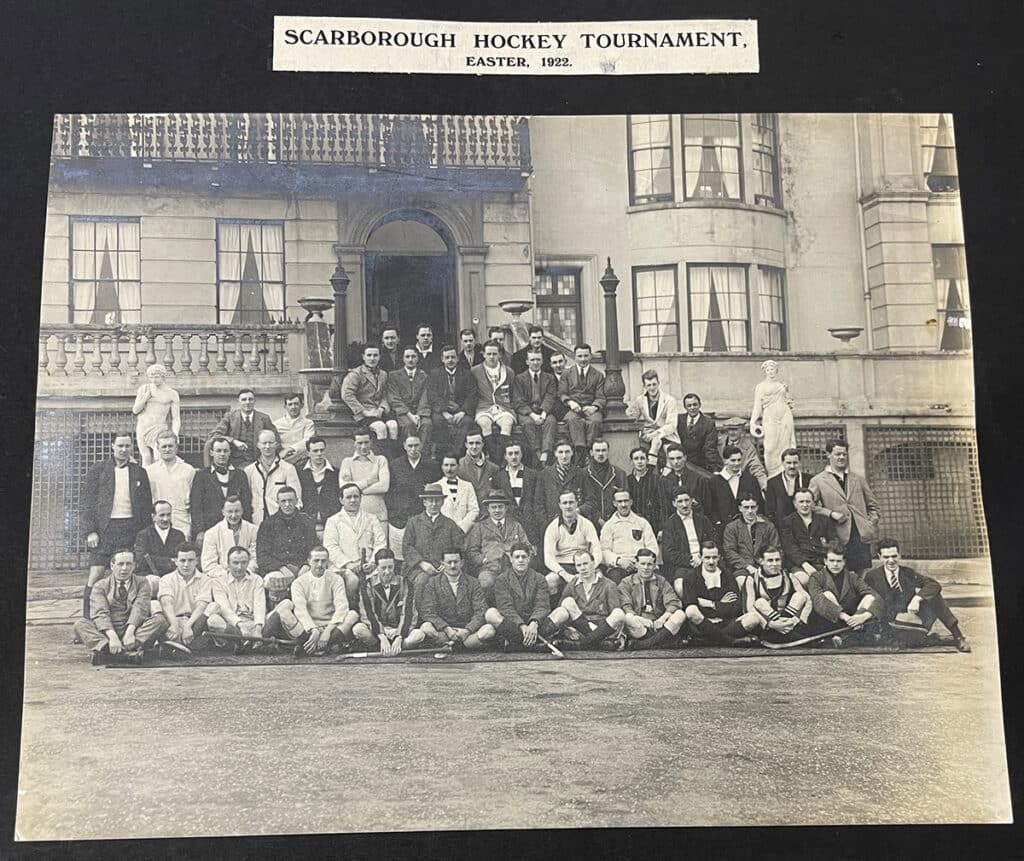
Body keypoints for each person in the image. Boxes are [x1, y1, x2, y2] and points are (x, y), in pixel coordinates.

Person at [80, 432, 153, 617]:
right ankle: (87, 620)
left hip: (130, 529)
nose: (123, 450)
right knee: (95, 575)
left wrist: (143, 534)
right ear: (112, 446)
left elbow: (145, 507)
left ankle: (124, 619)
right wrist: (90, 531)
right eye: (120, 446)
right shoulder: (99, 469)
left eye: (127, 446)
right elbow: (87, 502)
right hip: (105, 530)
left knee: (128, 575)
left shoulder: (139, 472)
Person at [864, 538, 971, 652]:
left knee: (935, 597)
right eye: (886, 557)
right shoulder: (872, 576)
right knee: (910, 642)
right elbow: (868, 600)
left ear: (899, 555)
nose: (891, 560)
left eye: (894, 556)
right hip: (891, 623)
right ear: (879, 557)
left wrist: (917, 598)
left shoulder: (908, 573)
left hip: (913, 618)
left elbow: (934, 584)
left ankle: (958, 636)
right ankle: (929, 639)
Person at [74, 548, 169, 665]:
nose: (124, 568)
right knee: (80, 625)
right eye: (120, 564)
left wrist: (130, 633)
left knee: (160, 621)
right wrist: (112, 637)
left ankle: (108, 654)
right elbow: (100, 613)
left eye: (128, 564)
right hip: (108, 629)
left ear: (134, 566)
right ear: (112, 565)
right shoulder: (100, 585)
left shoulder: (142, 583)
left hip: (134, 629)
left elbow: (140, 608)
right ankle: (127, 654)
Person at [264, 546, 359, 656]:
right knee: (284, 609)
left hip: (330, 627)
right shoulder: (299, 582)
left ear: (327, 562)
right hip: (307, 628)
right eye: (316, 560)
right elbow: (300, 610)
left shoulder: (336, 579)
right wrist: (313, 629)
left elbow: (342, 607)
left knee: (353, 615)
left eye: (323, 561)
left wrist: (327, 631)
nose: (319, 564)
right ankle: (321, 646)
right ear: (309, 561)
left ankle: (312, 647)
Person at [809, 439, 880, 573]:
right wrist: (830, 513)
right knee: (840, 572)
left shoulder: (858, 479)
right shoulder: (818, 480)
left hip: (860, 534)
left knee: (861, 572)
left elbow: (873, 506)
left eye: (844, 454)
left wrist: (869, 524)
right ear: (828, 455)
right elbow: (809, 506)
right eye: (837, 454)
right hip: (837, 534)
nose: (841, 457)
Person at [729, 546, 812, 645]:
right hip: (765, 624)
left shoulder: (789, 577)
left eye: (777, 560)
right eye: (770, 560)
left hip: (787, 620)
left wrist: (797, 620)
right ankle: (785, 636)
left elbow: (807, 599)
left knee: (799, 596)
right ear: (761, 561)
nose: (774, 564)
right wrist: (771, 624)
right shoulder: (751, 580)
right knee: (760, 602)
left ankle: (782, 635)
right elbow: (748, 609)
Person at [543, 550, 625, 649]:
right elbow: (562, 611)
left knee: (618, 613)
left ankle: (584, 644)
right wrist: (566, 630)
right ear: (576, 568)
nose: (583, 568)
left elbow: (614, 615)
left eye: (585, 564)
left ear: (594, 563)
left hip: (602, 628)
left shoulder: (609, 585)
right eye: (579, 565)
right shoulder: (573, 584)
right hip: (580, 629)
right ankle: (597, 642)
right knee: (567, 602)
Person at [416, 548, 496, 650]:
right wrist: (447, 629)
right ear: (443, 563)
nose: (453, 566)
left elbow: (481, 610)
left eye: (456, 562)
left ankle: (454, 646)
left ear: (462, 563)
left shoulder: (473, 582)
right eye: (449, 562)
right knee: (426, 627)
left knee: (489, 630)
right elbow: (428, 611)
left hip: (467, 632)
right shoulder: (433, 583)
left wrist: (468, 630)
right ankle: (463, 646)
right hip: (444, 632)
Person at [322, 482, 386, 609]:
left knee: (379, 580)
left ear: (361, 498)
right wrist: (349, 564)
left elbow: (381, 542)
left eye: (356, 497)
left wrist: (373, 562)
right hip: (344, 567)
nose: (353, 500)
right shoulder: (333, 521)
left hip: (368, 566)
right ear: (341, 500)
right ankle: (352, 612)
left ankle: (375, 616)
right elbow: (330, 547)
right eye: (348, 497)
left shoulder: (371, 518)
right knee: (352, 581)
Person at [805, 542, 883, 645]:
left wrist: (861, 617)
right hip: (826, 620)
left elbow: (876, 597)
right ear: (825, 561)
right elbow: (818, 602)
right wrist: (846, 617)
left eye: (839, 561)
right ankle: (847, 636)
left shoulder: (852, 577)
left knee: (869, 597)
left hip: (851, 622)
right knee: (827, 595)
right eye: (832, 561)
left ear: (844, 562)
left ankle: (845, 636)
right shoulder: (816, 577)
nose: (835, 564)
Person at [352, 548, 426, 655]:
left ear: (394, 566)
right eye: (383, 568)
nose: (387, 572)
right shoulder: (368, 585)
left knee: (419, 635)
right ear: (377, 567)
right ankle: (383, 647)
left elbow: (409, 613)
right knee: (358, 629)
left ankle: (395, 647)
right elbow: (368, 614)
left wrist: (399, 636)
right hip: (378, 632)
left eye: (390, 567)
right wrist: (382, 635)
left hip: (399, 630)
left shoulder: (405, 583)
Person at [255, 486, 317, 608]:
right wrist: (281, 568)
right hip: (277, 570)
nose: (287, 504)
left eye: (290, 500)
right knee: (276, 581)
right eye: (283, 501)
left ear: (296, 500)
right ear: (278, 502)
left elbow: (314, 548)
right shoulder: (267, 524)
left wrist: (306, 565)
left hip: (302, 568)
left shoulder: (306, 521)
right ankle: (278, 616)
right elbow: (262, 556)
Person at [484, 544, 553, 651]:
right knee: (490, 614)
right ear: (511, 559)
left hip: (536, 625)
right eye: (517, 557)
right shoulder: (501, 579)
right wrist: (521, 625)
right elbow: (505, 608)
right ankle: (533, 644)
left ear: (529, 558)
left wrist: (534, 623)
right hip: (513, 625)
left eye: (524, 557)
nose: (520, 560)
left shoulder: (539, 578)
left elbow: (542, 605)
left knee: (562, 613)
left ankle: (517, 644)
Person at [401, 483, 465, 597]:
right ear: (424, 502)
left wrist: (447, 564)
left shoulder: (450, 524)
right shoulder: (414, 522)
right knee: (422, 581)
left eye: (437, 501)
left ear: (442, 502)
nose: (434, 504)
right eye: (430, 501)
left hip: (444, 568)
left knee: (448, 584)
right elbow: (407, 547)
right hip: (418, 568)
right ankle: (419, 614)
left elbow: (458, 547)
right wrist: (421, 563)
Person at [386, 434, 441, 564]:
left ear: (421, 445)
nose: (413, 449)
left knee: (422, 556)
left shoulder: (431, 465)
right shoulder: (395, 465)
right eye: (410, 446)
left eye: (416, 445)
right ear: (404, 446)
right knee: (400, 558)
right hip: (400, 518)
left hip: (422, 518)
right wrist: (395, 513)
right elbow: (390, 493)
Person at [619, 548, 687, 650]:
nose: (646, 568)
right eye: (642, 564)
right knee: (628, 617)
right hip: (639, 625)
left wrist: (663, 618)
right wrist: (641, 619)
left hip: (659, 624)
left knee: (680, 614)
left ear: (655, 566)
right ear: (636, 564)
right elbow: (625, 606)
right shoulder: (626, 582)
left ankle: (644, 644)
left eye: (649, 564)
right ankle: (662, 641)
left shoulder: (662, 581)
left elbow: (673, 602)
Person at [679, 542, 746, 644]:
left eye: (714, 557)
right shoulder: (691, 577)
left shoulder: (727, 575)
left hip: (725, 623)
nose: (711, 562)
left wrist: (711, 604)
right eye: (707, 557)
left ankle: (706, 640)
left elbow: (735, 608)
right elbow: (690, 605)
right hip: (702, 623)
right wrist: (722, 604)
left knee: (751, 620)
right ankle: (730, 641)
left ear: (719, 557)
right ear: (700, 557)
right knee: (691, 610)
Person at [189, 436, 253, 544]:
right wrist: (200, 531)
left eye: (225, 451)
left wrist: (246, 529)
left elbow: (246, 505)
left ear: (230, 453)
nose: (222, 454)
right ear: (211, 453)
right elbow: (196, 506)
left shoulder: (240, 475)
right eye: (218, 451)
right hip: (210, 529)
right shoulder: (201, 476)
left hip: (235, 528)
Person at [466, 490, 531, 594]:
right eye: (493, 507)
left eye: (500, 507)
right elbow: (471, 551)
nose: (497, 510)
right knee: (485, 582)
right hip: (489, 568)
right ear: (488, 509)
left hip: (513, 568)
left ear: (505, 508)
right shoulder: (480, 526)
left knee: (526, 585)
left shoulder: (515, 525)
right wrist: (484, 559)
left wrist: (520, 561)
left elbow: (528, 547)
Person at [542, 489, 602, 600]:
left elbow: (597, 550)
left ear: (576, 503)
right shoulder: (553, 527)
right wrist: (565, 574)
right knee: (550, 580)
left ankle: (593, 613)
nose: (568, 506)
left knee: (599, 578)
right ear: (560, 505)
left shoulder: (586, 524)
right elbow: (548, 558)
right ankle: (555, 611)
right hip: (562, 565)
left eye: (571, 502)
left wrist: (590, 568)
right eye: (565, 503)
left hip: (584, 564)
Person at [205, 545, 267, 649]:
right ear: (228, 564)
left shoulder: (257, 579)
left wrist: (258, 629)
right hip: (232, 625)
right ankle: (247, 642)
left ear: (248, 562)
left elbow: (259, 605)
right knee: (212, 620)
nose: (239, 567)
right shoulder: (218, 581)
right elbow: (224, 609)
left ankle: (241, 642)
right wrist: (240, 625)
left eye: (243, 562)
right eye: (235, 563)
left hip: (253, 623)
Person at [156, 543, 214, 649]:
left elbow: (201, 606)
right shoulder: (166, 579)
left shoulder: (206, 579)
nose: (186, 565)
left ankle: (177, 646)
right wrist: (173, 624)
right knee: (159, 615)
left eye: (191, 560)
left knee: (211, 611)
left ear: (197, 561)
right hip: (173, 619)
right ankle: (181, 646)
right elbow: (166, 603)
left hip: (194, 622)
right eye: (182, 560)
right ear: (175, 561)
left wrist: (188, 626)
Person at [340, 344, 399, 446]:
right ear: (363, 356)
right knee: (380, 427)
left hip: (379, 411)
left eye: (375, 355)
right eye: (369, 355)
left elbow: (385, 394)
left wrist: (381, 409)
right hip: (364, 412)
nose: (372, 358)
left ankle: (393, 458)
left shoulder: (383, 374)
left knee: (393, 425)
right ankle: (382, 457)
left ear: (379, 357)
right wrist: (364, 412)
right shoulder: (356, 374)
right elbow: (347, 394)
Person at [722, 493, 781, 592]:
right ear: (740, 508)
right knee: (743, 582)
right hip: (743, 568)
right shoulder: (731, 527)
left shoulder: (768, 526)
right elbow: (729, 552)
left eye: (752, 507)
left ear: (757, 508)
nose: (750, 511)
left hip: (766, 565)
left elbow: (776, 548)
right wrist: (747, 566)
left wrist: (766, 565)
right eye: (746, 507)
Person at [142, 430, 195, 540]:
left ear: (176, 446)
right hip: (158, 523)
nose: (167, 449)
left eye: (170, 446)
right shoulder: (149, 471)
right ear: (158, 448)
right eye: (164, 446)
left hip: (182, 521)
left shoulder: (188, 470)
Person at [245, 428, 302, 528]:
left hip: (282, 522)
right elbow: (246, 497)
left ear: (276, 445)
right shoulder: (249, 470)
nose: (267, 446)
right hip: (256, 521)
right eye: (264, 443)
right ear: (258, 445)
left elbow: (297, 498)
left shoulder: (288, 468)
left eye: (271, 443)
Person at [600, 489, 659, 585]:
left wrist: (642, 562)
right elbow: (604, 551)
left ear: (631, 502)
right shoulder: (609, 526)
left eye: (626, 501)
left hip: (642, 565)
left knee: (655, 582)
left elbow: (652, 546)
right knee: (616, 581)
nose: (623, 505)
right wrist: (619, 561)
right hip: (619, 567)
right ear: (614, 503)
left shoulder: (642, 523)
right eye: (619, 502)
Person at [470, 339, 516, 463]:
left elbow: (511, 391)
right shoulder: (475, 371)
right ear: (483, 354)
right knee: (485, 423)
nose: (491, 357)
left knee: (507, 423)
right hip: (484, 406)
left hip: (503, 406)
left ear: (499, 354)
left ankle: (498, 460)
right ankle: (495, 461)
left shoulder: (508, 372)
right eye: (489, 354)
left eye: (494, 354)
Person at [560, 344, 606, 466]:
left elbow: (601, 397)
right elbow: (562, 393)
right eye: (580, 356)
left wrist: (594, 407)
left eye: (586, 355)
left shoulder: (598, 375)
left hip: (591, 408)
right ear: (574, 357)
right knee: (572, 420)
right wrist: (570, 402)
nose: (583, 359)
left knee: (595, 421)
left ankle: (589, 451)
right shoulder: (566, 373)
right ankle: (581, 452)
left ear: (590, 356)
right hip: (574, 408)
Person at [661, 489, 717, 590]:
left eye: (687, 500)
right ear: (674, 504)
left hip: (707, 560)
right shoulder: (669, 525)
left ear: (692, 500)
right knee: (680, 586)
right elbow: (669, 553)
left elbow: (714, 542)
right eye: (680, 501)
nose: (684, 505)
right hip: (684, 565)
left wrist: (703, 558)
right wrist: (691, 560)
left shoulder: (703, 520)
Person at [511, 348, 558, 466]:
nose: (535, 362)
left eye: (538, 360)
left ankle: (545, 454)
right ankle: (537, 453)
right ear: (527, 362)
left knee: (551, 421)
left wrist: (543, 414)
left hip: (543, 411)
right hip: (527, 412)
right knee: (527, 424)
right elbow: (518, 401)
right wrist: (532, 415)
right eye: (532, 360)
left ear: (542, 361)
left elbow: (550, 396)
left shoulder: (549, 378)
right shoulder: (519, 378)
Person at [779, 488, 837, 583]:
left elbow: (834, 541)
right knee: (805, 580)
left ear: (813, 503)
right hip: (798, 563)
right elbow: (790, 547)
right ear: (795, 503)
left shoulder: (824, 520)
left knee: (832, 580)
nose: (805, 505)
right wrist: (805, 565)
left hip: (821, 560)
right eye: (801, 502)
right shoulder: (787, 522)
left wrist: (829, 560)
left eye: (808, 501)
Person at [750, 359, 796, 478]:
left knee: (785, 446)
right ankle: (773, 476)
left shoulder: (781, 386)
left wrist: (787, 392)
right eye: (768, 370)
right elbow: (757, 406)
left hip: (785, 416)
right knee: (770, 447)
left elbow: (790, 402)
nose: (771, 372)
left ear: (776, 371)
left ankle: (786, 474)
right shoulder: (761, 386)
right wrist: (753, 421)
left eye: (773, 370)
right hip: (770, 417)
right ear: (765, 371)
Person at [427, 344, 475, 459]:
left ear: (457, 359)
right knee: (438, 421)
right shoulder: (434, 374)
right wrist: (444, 412)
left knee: (467, 422)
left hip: (460, 410)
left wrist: (462, 411)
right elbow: (432, 396)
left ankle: (457, 453)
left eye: (453, 357)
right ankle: (442, 454)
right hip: (442, 411)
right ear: (442, 359)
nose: (450, 360)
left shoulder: (466, 374)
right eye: (447, 357)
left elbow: (472, 395)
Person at [208, 389, 275, 468]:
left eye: (250, 399)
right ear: (239, 401)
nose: (247, 402)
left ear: (254, 401)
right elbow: (214, 434)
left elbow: (275, 439)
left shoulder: (264, 418)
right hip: (234, 462)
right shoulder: (230, 417)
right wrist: (233, 441)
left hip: (259, 461)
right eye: (244, 399)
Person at [625, 370, 679, 466]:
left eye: (654, 384)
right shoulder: (640, 400)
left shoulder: (669, 400)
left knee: (660, 445)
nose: (652, 388)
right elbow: (633, 418)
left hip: (666, 436)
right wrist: (630, 413)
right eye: (648, 385)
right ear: (644, 386)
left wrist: (655, 434)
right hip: (647, 435)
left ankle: (652, 466)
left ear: (659, 383)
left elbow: (672, 425)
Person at [490, 440, 540, 545]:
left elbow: (537, 500)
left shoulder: (533, 475)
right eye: (510, 454)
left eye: (517, 453)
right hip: (509, 522)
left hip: (530, 522)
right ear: (505, 456)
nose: (514, 457)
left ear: (521, 454)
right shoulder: (498, 477)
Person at [339, 430, 391, 530]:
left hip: (378, 515)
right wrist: (368, 481)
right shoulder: (347, 462)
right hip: (355, 516)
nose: (363, 446)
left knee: (380, 545)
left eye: (366, 442)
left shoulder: (380, 460)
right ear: (354, 443)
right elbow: (344, 487)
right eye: (359, 443)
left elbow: (384, 486)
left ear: (371, 442)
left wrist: (359, 490)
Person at [708, 445, 765, 535]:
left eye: (739, 460)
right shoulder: (714, 482)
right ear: (725, 461)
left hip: (748, 528)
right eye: (733, 460)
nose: (737, 463)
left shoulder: (750, 479)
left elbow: (759, 503)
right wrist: (717, 523)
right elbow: (710, 507)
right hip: (723, 529)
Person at [132, 363, 181, 466]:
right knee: (146, 458)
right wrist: (145, 398)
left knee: (158, 457)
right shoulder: (144, 389)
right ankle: (145, 481)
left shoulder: (172, 394)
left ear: (163, 376)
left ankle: (158, 481)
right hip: (143, 427)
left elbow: (176, 418)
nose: (154, 380)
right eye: (151, 377)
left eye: (156, 377)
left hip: (159, 428)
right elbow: (135, 410)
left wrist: (175, 434)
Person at [200, 495, 258, 580]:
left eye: (237, 511)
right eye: (230, 511)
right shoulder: (211, 533)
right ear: (223, 512)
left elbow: (255, 558)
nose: (233, 516)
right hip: (221, 579)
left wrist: (244, 573)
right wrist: (229, 575)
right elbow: (208, 565)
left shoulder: (253, 530)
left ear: (242, 511)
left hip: (247, 577)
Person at [387, 346, 433, 453]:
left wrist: (419, 415)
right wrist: (409, 414)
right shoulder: (393, 376)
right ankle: (408, 454)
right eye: (407, 357)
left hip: (420, 412)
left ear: (417, 358)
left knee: (427, 424)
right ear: (403, 359)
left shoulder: (424, 376)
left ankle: (421, 455)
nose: (410, 359)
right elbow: (394, 398)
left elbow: (425, 397)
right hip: (402, 413)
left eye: (413, 356)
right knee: (408, 425)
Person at [534, 441, 585, 535]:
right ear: (555, 453)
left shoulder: (580, 474)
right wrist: (546, 523)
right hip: (551, 525)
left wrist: (578, 511)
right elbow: (538, 503)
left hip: (575, 524)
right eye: (560, 452)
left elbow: (590, 500)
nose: (564, 456)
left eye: (567, 452)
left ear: (572, 453)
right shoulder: (544, 474)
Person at [578, 439, 628, 530]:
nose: (601, 454)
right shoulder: (583, 474)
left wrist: (612, 521)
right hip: (589, 524)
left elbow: (625, 500)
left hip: (615, 523)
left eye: (604, 450)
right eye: (597, 450)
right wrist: (598, 519)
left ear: (608, 452)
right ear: (591, 453)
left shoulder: (619, 473)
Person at [297, 436, 340, 537]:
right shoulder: (299, 472)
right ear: (308, 453)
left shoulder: (335, 473)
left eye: (322, 450)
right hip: (306, 526)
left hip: (330, 525)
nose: (319, 454)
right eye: (315, 451)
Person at [134, 500, 187, 579]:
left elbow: (183, 559)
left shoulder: (179, 535)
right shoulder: (143, 535)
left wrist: (154, 559)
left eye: (168, 515)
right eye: (162, 515)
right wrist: (170, 561)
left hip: (174, 578)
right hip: (150, 578)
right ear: (153, 517)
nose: (166, 519)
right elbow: (142, 560)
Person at [764, 447, 814, 529]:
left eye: (795, 463)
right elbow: (770, 510)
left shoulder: (809, 480)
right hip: (782, 528)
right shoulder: (773, 482)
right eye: (788, 463)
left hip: (805, 528)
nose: (792, 466)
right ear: (782, 463)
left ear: (800, 463)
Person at [717, 416, 768, 491]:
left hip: (739, 483)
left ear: (741, 431)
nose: (731, 433)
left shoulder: (748, 447)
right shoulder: (719, 444)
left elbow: (756, 467)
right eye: (730, 429)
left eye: (735, 430)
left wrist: (764, 483)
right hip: (721, 482)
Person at [659, 444, 710, 517]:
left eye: (679, 458)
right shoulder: (665, 481)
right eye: (672, 459)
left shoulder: (699, 479)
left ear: (685, 458)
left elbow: (707, 507)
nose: (676, 462)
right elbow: (665, 508)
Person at [676, 392, 722, 475]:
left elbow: (710, 448)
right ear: (685, 407)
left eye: (695, 404)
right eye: (689, 406)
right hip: (681, 462)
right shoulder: (678, 420)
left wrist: (714, 469)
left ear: (700, 405)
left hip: (700, 465)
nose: (692, 408)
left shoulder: (708, 423)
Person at [457, 429, 500, 508]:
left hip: (486, 512)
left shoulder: (493, 468)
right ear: (466, 445)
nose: (474, 447)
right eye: (471, 443)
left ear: (482, 444)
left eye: (477, 443)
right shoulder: (459, 465)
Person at [439, 452, 480, 533]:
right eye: (446, 465)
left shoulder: (467, 486)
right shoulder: (436, 486)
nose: (449, 469)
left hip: (463, 532)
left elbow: (474, 509)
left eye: (452, 465)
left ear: (458, 466)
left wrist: (462, 527)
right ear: (442, 467)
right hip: (442, 531)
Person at [627, 446, 664, 533]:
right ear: (631, 461)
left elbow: (662, 506)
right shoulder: (627, 480)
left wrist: (662, 528)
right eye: (636, 459)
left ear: (647, 460)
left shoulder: (657, 480)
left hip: (653, 524)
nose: (639, 461)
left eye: (642, 458)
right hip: (633, 525)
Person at [274, 392, 316, 466]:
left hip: (303, 459)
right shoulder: (277, 424)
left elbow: (308, 440)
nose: (293, 407)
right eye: (290, 404)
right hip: (283, 460)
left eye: (296, 404)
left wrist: (290, 449)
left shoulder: (308, 423)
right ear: (285, 406)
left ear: (301, 405)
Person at [547, 352, 570, 422]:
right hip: (555, 413)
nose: (558, 365)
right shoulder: (547, 379)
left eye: (560, 361)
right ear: (551, 365)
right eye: (554, 363)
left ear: (565, 362)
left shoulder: (573, 376)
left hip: (572, 411)